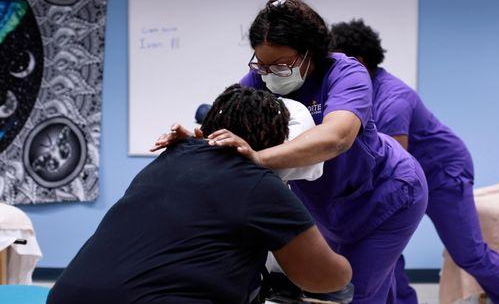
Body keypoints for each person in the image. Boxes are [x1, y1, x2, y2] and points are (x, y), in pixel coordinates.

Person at [154, 0, 428, 304]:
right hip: (326, 203)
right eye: (261, 64)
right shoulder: (260, 78)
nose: (269, 74)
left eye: (281, 64)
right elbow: (227, 126)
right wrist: (196, 139)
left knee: (354, 295)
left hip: (388, 194)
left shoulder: (345, 73)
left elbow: (337, 137)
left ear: (310, 51)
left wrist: (258, 157)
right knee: (359, 284)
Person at [48, 85, 352, 304]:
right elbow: (326, 278)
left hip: (66, 294)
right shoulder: (256, 183)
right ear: (276, 143)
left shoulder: (172, 156)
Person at [330, 19, 499, 304]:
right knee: (383, 249)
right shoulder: (358, 92)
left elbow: (391, 170)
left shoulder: (393, 99)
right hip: (409, 175)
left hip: (441, 172)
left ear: (357, 61)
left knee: (469, 254)